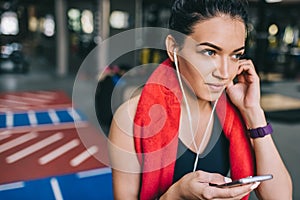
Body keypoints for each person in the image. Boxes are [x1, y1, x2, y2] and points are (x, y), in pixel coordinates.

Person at [108, 0, 293, 199]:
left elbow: (281, 197)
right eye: (210, 52)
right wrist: (176, 195)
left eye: (235, 55)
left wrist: (253, 112)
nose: (224, 73)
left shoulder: (236, 112)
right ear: (173, 48)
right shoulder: (131, 119)